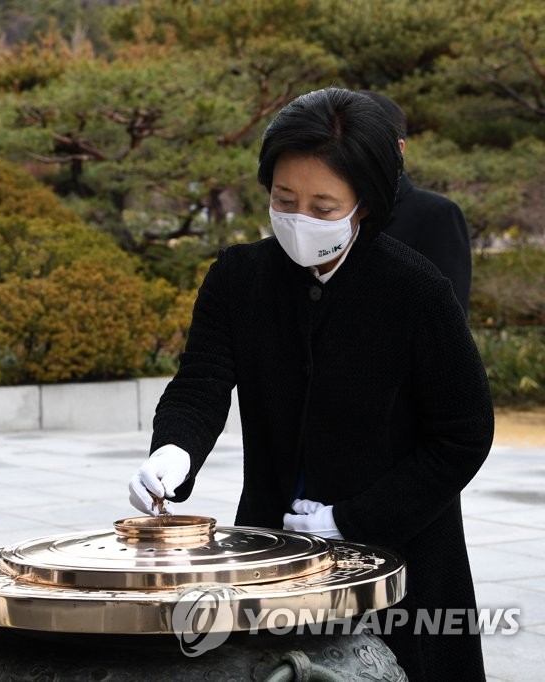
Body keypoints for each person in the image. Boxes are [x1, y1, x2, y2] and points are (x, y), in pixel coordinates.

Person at [128, 88, 494, 681]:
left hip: (402, 561)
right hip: (274, 552)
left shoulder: (415, 291)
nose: (299, 219)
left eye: (323, 208)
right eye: (284, 199)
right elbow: (203, 380)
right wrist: (175, 449)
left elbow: (465, 431)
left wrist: (357, 519)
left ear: (365, 205)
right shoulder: (238, 279)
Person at [360, 90, 472, 312]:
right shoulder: (320, 212)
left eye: (364, 142)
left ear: (399, 148)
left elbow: (450, 320)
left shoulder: (436, 215)